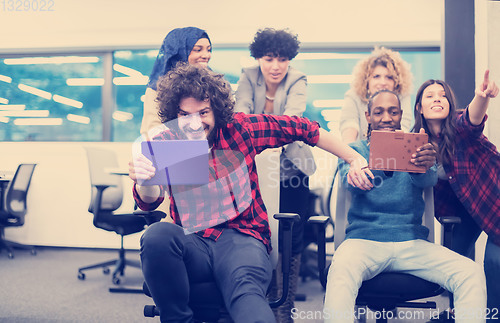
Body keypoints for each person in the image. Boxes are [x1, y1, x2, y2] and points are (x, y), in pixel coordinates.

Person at [129, 63, 373, 323]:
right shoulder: (168, 141)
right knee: (157, 235)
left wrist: (354, 157)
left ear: (216, 109)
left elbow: (305, 129)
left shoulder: (240, 130)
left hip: (242, 239)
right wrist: (144, 180)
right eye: (185, 115)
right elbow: (149, 201)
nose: (195, 124)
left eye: (203, 113)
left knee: (246, 297)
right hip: (194, 243)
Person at [323, 90, 487, 323]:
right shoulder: (354, 151)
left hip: (411, 243)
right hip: (363, 242)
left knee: (470, 273)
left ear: (401, 115)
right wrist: (363, 169)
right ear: (368, 116)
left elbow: (427, 180)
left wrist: (423, 163)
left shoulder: (417, 148)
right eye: (379, 112)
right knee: (339, 270)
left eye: (393, 111)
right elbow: (350, 181)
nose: (387, 117)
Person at [234, 27, 312, 321]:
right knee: (258, 231)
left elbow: (293, 120)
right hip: (254, 168)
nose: (276, 66)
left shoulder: (298, 79)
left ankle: (285, 307)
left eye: (282, 59)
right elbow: (238, 116)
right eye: (269, 59)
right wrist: (269, 128)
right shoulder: (247, 76)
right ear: (259, 58)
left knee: (291, 233)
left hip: (292, 168)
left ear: (289, 59)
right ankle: (261, 299)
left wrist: (260, 128)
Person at [412, 71, 499, 321]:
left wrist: (481, 97)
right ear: (419, 107)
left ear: (450, 105)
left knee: (494, 265)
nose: (437, 98)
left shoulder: (460, 127)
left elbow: (473, 118)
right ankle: (458, 314)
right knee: (455, 266)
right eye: (430, 95)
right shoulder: (416, 142)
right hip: (460, 214)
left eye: (443, 95)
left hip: (493, 202)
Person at [141, 26, 212, 135]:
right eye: (198, 49)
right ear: (180, 52)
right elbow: (153, 131)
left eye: (209, 49)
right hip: (172, 148)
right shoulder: (158, 88)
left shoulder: (215, 83)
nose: (206, 55)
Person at [340, 47, 413, 143]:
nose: (383, 82)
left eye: (389, 77)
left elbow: (404, 126)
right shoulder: (354, 96)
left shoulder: (402, 96)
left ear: (397, 82)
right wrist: (349, 152)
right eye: (376, 76)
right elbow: (349, 124)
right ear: (366, 80)